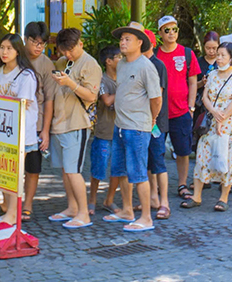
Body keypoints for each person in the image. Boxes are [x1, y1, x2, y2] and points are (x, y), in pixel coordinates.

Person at [103, 22, 162, 233]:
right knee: (120, 171)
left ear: (140, 42)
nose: (122, 42)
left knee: (138, 173)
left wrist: (151, 119)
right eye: (121, 39)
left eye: (128, 39)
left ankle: (146, 217)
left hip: (137, 128)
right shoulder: (122, 64)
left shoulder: (147, 67)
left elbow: (156, 98)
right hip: (120, 125)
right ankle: (128, 210)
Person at [180, 44, 232, 210]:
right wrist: (214, 112)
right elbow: (205, 97)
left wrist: (222, 117)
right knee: (202, 156)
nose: (218, 58)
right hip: (210, 122)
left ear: (231, 58)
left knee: (227, 157)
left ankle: (223, 198)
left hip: (229, 123)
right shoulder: (211, 75)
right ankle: (196, 195)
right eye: (218, 55)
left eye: (222, 55)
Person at [0, 34, 39, 227]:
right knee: (3, 171)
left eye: (9, 48)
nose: (4, 52)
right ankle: (8, 208)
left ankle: (13, 215)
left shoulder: (26, 75)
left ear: (18, 51)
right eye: (2, 47)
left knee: (14, 173)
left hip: (20, 133)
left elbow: (21, 105)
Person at [49, 28, 101, 228]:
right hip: (60, 123)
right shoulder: (62, 62)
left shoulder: (91, 65)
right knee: (65, 170)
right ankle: (71, 207)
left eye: (70, 50)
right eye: (64, 51)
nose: (67, 54)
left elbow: (91, 97)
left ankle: (83, 213)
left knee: (73, 171)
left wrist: (70, 83)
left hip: (77, 123)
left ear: (81, 43)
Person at [154, 15, 200, 204]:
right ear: (160, 34)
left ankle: (182, 184)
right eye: (167, 30)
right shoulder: (154, 55)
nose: (171, 33)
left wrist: (191, 107)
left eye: (174, 29)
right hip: (158, 113)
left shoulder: (187, 53)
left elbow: (193, 81)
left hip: (181, 111)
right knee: (156, 150)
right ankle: (156, 185)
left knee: (183, 150)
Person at [23, 21, 57, 219]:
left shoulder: (46, 64)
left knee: (33, 167)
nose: (38, 47)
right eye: (34, 42)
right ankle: (8, 203)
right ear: (25, 39)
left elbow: (50, 100)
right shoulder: (15, 57)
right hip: (13, 121)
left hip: (36, 122)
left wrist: (45, 131)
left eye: (42, 44)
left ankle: (27, 204)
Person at [142, 29, 170, 219]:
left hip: (155, 122)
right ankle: (152, 197)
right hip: (141, 121)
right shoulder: (137, 64)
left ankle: (164, 201)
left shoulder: (157, 65)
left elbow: (156, 96)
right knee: (148, 163)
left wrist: (153, 119)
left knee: (158, 162)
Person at [89, 46, 121, 214]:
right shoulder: (101, 80)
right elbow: (107, 101)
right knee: (98, 167)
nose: (121, 60)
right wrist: (124, 88)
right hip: (104, 131)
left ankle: (109, 200)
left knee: (116, 168)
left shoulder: (124, 77)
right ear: (108, 61)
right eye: (118, 57)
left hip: (121, 131)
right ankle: (92, 200)